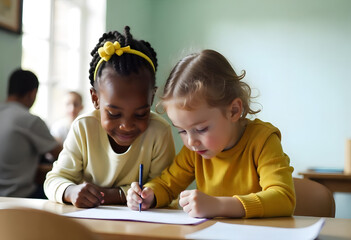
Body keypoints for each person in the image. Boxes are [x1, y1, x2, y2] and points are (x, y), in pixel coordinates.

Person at [127, 49, 296, 219]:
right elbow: (166, 185)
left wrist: (219, 205)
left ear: (234, 111)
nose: (191, 141)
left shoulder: (262, 140)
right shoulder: (194, 151)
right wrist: (149, 194)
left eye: (201, 129)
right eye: (181, 131)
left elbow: (283, 198)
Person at [44, 26, 175, 208]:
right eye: (114, 114)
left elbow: (164, 187)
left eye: (140, 114)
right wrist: (70, 191)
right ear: (95, 99)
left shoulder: (159, 133)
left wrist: (115, 195)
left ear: (151, 98)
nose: (127, 125)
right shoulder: (84, 128)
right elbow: (54, 180)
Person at [0, 69, 62, 199]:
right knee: (61, 192)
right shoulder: (29, 120)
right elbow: (64, 156)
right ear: (32, 93)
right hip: (18, 196)